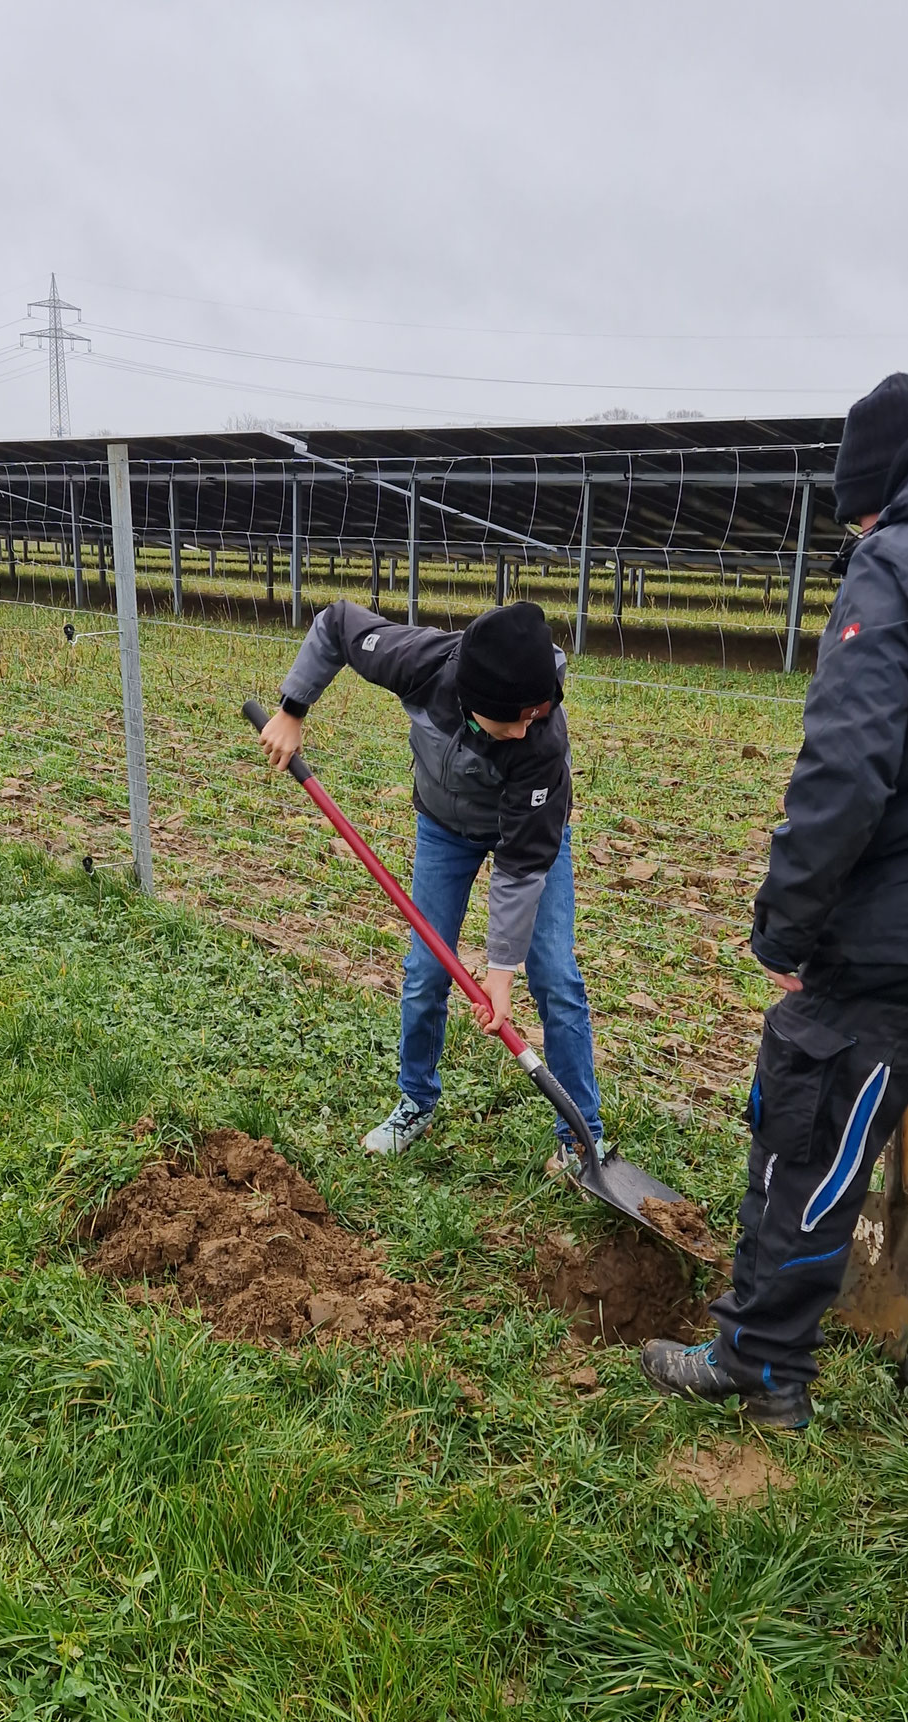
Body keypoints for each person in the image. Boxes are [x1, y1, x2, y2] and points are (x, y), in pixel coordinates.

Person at [642, 371, 908, 1431]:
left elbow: (844, 768)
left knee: (805, 1145)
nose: (854, 532)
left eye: (855, 514)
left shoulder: (890, 565)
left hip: (880, 948)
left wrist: (786, 928)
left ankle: (757, 1365)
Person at [256, 597, 605, 1166]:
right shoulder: (419, 662)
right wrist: (292, 709)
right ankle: (416, 1101)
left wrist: (500, 973)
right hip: (444, 828)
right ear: (475, 701)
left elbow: (521, 867)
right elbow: (338, 625)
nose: (526, 728)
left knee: (555, 978)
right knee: (424, 973)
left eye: (534, 715)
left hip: (529, 837)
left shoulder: (540, 739)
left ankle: (581, 1136)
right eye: (515, 719)